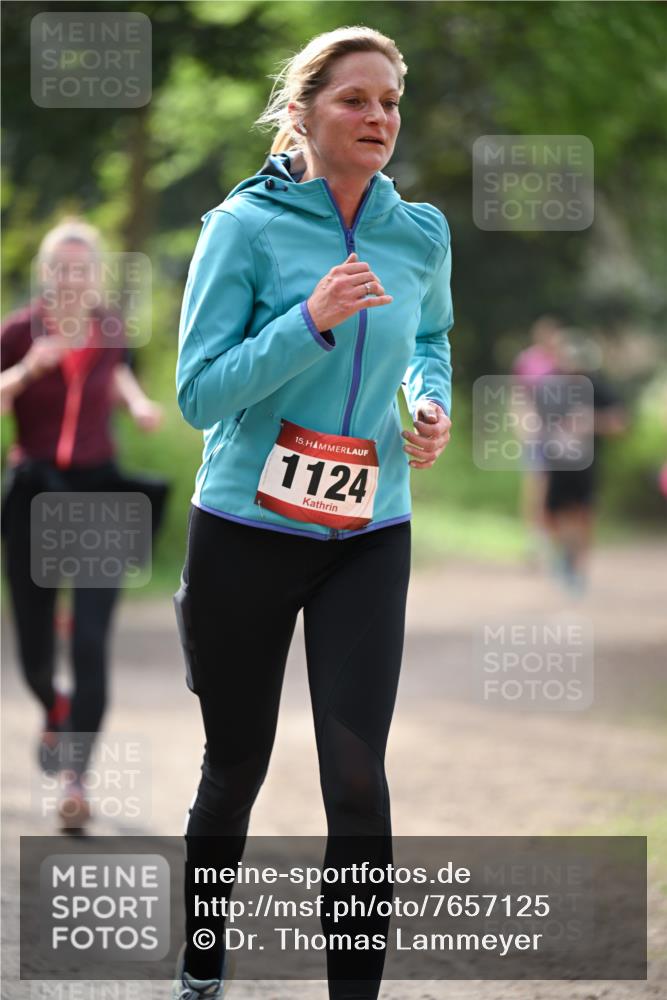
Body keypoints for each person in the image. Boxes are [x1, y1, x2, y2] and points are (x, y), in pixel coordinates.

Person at [173, 26, 453, 1000]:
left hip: (369, 531)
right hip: (246, 527)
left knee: (358, 778)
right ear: (302, 111)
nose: (378, 118)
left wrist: (428, 403)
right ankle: (202, 965)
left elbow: (431, 337)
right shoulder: (240, 229)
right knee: (236, 763)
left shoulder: (418, 232)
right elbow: (200, 394)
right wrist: (308, 322)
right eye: (355, 100)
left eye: (389, 102)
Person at [0, 217, 167, 829]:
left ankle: (75, 779)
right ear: (46, 275)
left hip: (100, 490)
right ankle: (54, 706)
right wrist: (26, 371)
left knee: (93, 640)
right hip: (34, 491)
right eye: (61, 268)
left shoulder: (111, 330)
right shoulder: (19, 331)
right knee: (36, 653)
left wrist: (137, 402)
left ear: (96, 276)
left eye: (82, 268)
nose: (72, 279)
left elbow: (115, 371)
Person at [535, 333, 626, 595]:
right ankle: (563, 555)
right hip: (556, 459)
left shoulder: (597, 386)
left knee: (583, 514)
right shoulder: (550, 383)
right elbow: (533, 415)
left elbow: (620, 422)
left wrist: (591, 422)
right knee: (553, 513)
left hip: (587, 462)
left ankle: (577, 567)